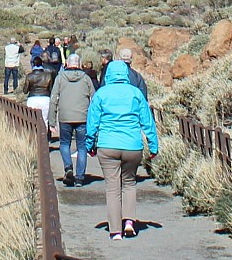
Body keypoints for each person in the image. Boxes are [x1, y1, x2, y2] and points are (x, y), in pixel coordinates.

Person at [87, 58, 159, 239]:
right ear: (126, 74)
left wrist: (90, 144)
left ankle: (115, 231)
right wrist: (153, 146)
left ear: (108, 75)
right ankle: (129, 222)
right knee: (129, 183)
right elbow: (148, 121)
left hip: (107, 145)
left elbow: (92, 122)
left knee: (112, 188)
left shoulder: (101, 94)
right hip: (132, 146)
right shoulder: (135, 93)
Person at [51, 51, 96, 185]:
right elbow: (94, 99)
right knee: (82, 147)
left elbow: (53, 99)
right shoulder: (86, 78)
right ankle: (80, 178)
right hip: (83, 116)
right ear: (79, 64)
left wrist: (52, 120)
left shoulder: (60, 78)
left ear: (66, 64)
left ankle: (68, 167)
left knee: (65, 143)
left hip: (65, 116)